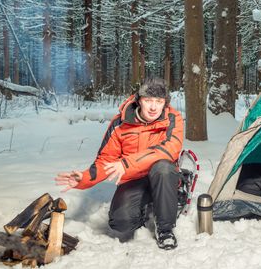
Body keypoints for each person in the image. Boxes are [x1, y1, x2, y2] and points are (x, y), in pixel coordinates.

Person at [55, 78, 184, 250]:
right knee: (120, 222)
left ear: (164, 103)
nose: (153, 107)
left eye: (159, 101)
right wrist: (84, 178)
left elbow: (169, 150)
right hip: (134, 179)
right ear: (139, 101)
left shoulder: (172, 118)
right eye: (148, 101)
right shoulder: (120, 124)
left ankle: (165, 229)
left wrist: (126, 164)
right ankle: (146, 205)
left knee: (163, 167)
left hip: (162, 175)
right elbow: (106, 159)